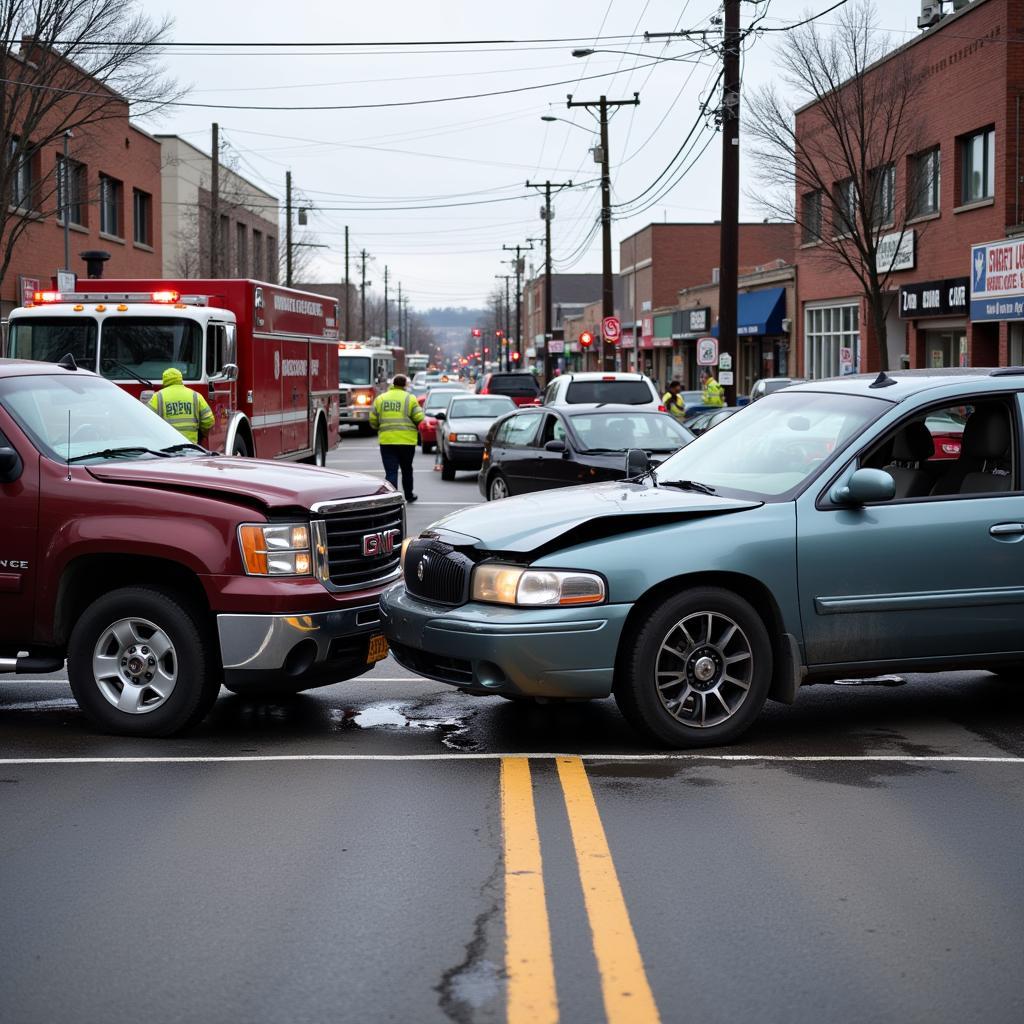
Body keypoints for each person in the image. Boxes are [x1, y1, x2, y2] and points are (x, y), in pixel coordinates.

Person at [370, 374, 424, 503]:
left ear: (393, 384)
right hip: (407, 442)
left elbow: (373, 419)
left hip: (387, 441)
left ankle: (392, 497)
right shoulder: (410, 399)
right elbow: (419, 418)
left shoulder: (381, 399)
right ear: (405, 384)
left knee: (391, 471)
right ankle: (409, 495)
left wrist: (378, 427)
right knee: (407, 470)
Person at [148, 367, 214, 444]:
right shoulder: (195, 396)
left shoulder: (157, 397)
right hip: (191, 447)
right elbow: (209, 420)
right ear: (180, 379)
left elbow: (147, 420)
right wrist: (203, 433)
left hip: (166, 447)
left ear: (164, 380)